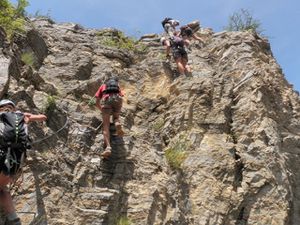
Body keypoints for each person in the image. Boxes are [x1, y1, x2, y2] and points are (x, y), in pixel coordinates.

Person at [0, 99, 47, 225]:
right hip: (15, 162)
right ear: (13, 108)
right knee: (3, 188)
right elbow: (43, 117)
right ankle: (14, 219)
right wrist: (26, 118)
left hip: (1, 157)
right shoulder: (22, 116)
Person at [95, 77, 124, 158]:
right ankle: (117, 123)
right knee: (115, 117)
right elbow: (121, 95)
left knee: (106, 126)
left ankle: (108, 147)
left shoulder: (103, 86)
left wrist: (102, 110)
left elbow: (96, 102)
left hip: (107, 101)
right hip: (118, 100)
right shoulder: (117, 86)